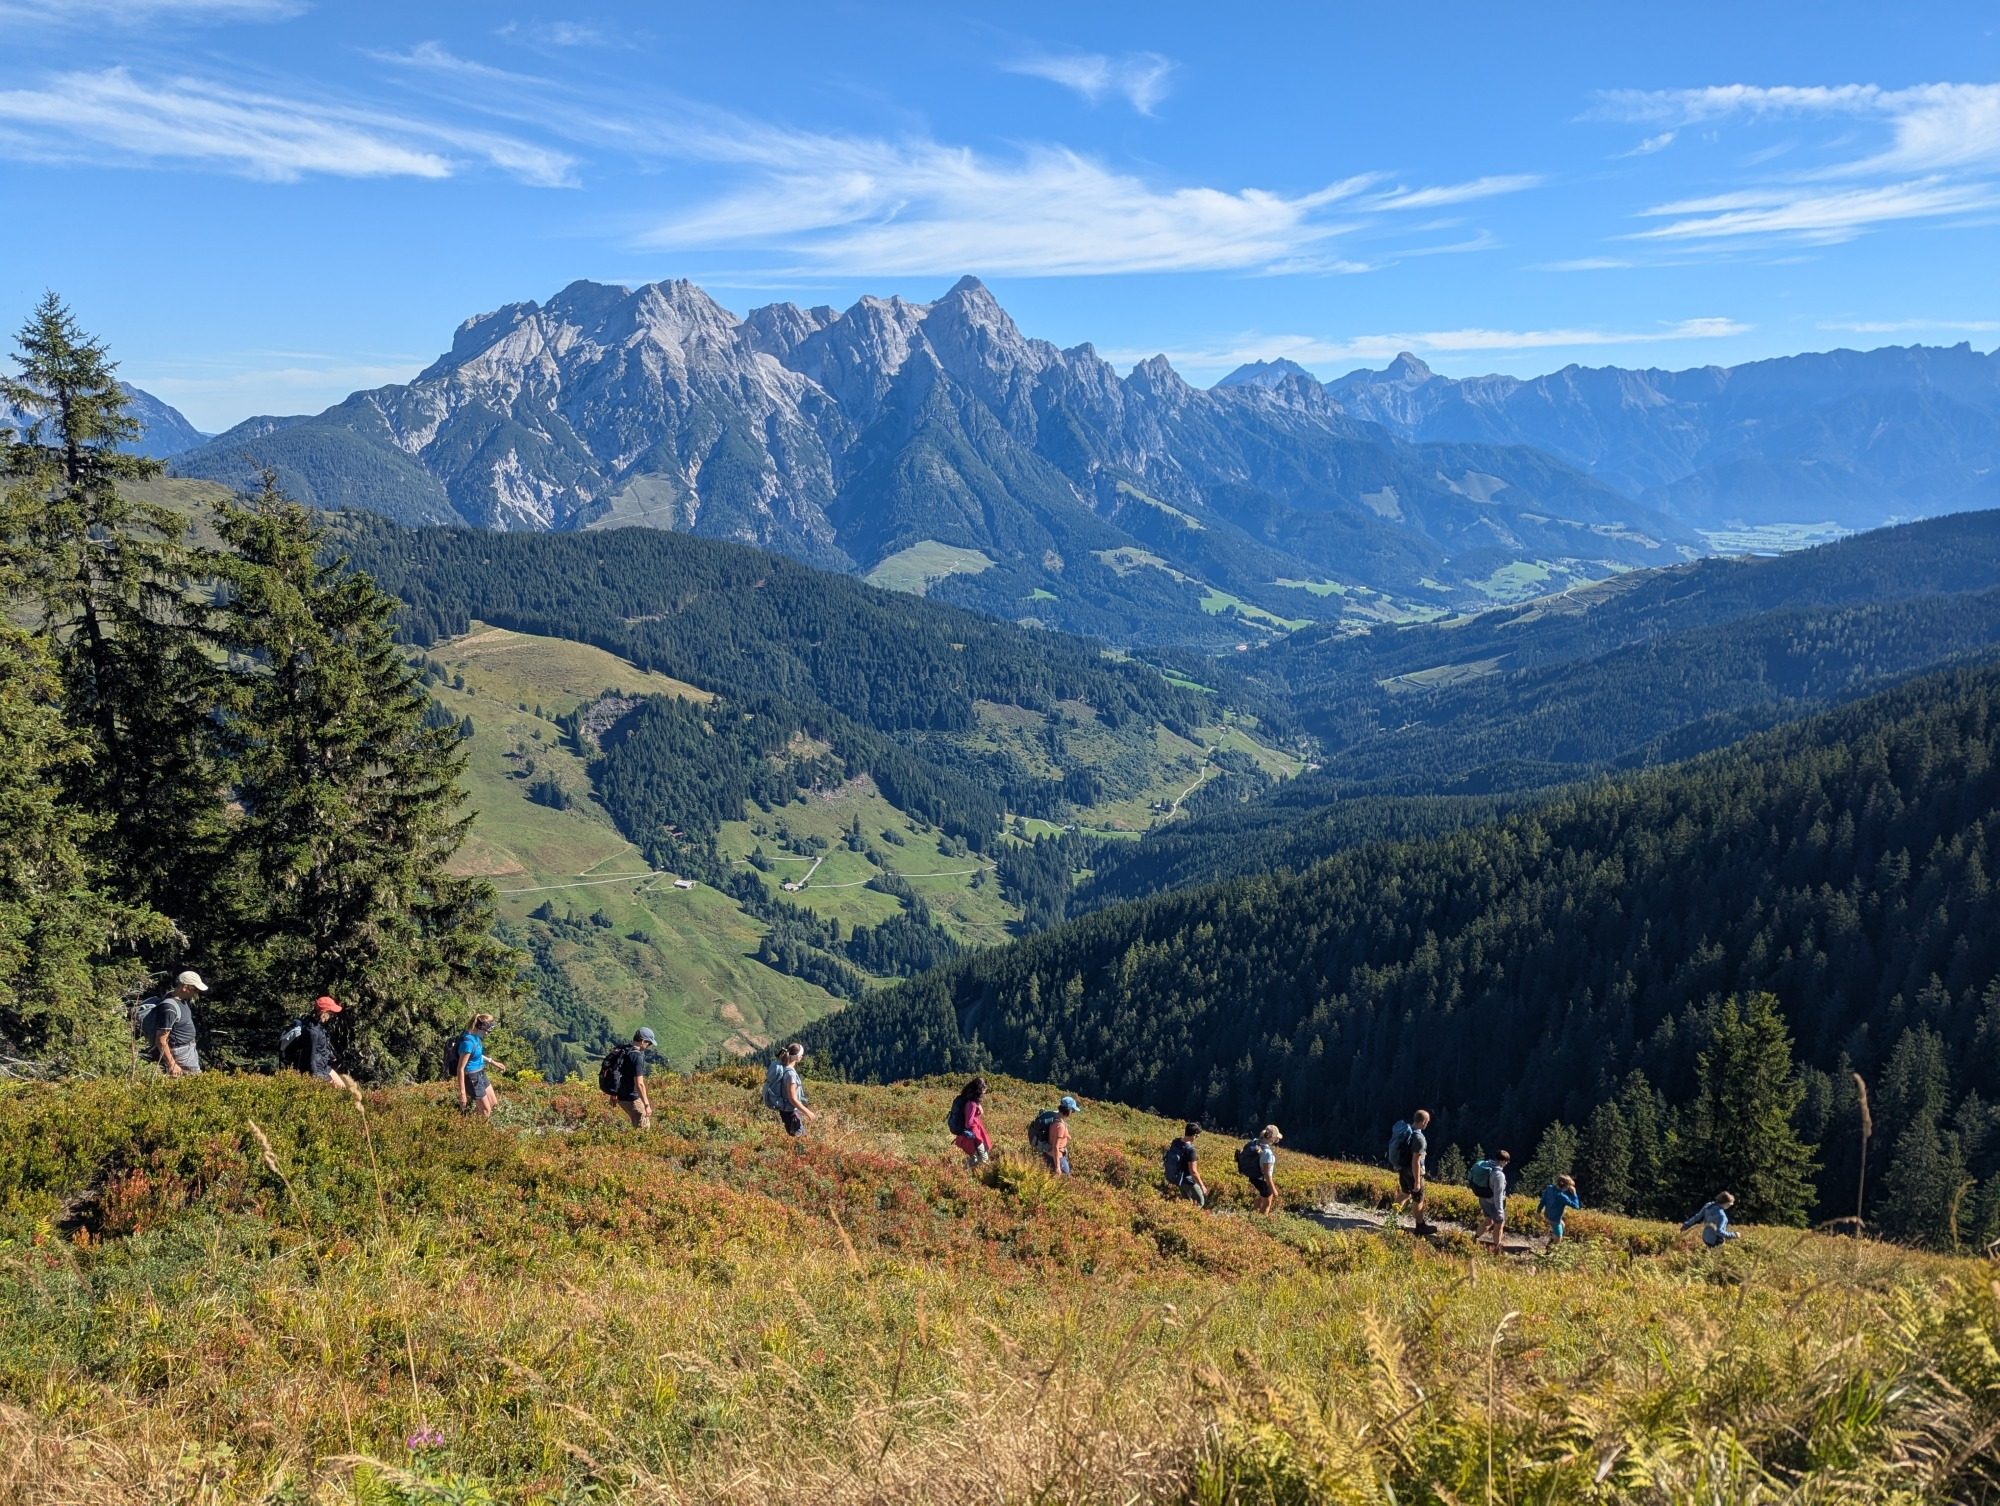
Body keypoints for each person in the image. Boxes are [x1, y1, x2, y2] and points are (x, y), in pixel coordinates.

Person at [140, 971, 207, 1077]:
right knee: (193, 1084)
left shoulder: (181, 1000)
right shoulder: (169, 1008)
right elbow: (161, 1040)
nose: (197, 992)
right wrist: (172, 1064)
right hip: (181, 1054)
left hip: (188, 1050)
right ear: (185, 987)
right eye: (195, 989)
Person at [1389, 1109, 1435, 1235]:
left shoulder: (1407, 1131)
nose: (1428, 1123)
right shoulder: (1419, 1139)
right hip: (1413, 1172)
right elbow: (1416, 1161)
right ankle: (1420, 1226)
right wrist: (1417, 1181)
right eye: (1427, 1121)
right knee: (1418, 1199)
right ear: (1424, 1122)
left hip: (1403, 1169)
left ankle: (1391, 1220)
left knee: (1404, 1193)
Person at [280, 994, 343, 1081]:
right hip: (318, 1071)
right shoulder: (313, 1032)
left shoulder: (314, 1024)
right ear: (324, 1012)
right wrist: (318, 1078)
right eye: (330, 1013)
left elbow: (319, 1048)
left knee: (344, 1088)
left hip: (323, 1066)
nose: (332, 1016)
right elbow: (311, 1058)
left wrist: (329, 1054)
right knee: (341, 1091)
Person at [604, 1028, 657, 1128]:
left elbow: (616, 1071)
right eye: (649, 1043)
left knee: (637, 1124)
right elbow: (639, 1084)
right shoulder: (637, 1057)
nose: (648, 1046)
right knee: (643, 1128)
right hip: (631, 1097)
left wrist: (613, 1093)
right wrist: (646, 1105)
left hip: (620, 1096)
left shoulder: (624, 1050)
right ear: (643, 1041)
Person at [454, 1013, 504, 1118]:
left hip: (480, 1073)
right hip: (472, 1077)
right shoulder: (468, 1042)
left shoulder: (475, 1037)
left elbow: (476, 1054)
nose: (487, 1033)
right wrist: (463, 1093)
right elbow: (460, 1069)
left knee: (493, 1104)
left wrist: (493, 1062)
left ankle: (471, 1121)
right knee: (486, 1111)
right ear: (481, 1027)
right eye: (487, 1030)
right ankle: (478, 1130)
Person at [763, 1042, 815, 1138]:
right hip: (791, 1113)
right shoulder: (791, 1075)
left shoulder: (782, 1066)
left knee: (797, 1137)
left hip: (785, 1111)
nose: (802, 1057)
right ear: (796, 1057)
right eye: (801, 1055)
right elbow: (792, 1099)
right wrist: (808, 1112)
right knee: (800, 1139)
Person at [1468, 1149, 1511, 1253]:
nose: (1506, 1164)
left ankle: (1475, 1238)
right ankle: (1497, 1247)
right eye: (1506, 1162)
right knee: (1499, 1225)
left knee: (1488, 1220)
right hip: (1493, 1202)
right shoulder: (1498, 1175)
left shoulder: (1484, 1165)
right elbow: (1498, 1195)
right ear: (1503, 1161)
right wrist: (1500, 1212)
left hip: (1483, 1199)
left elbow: (1470, 1177)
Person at [1238, 1125, 1282, 1215]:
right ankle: (1260, 1222)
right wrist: (1274, 1189)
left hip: (1254, 1177)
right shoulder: (1267, 1153)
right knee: (1267, 1203)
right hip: (1262, 1180)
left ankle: (1254, 1215)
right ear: (1272, 1139)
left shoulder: (1255, 1142)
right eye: (1276, 1138)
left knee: (1262, 1196)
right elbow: (1267, 1174)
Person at [1030, 1095, 1079, 1174]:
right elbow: (1055, 1147)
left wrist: (1066, 1136)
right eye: (1073, 1110)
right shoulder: (1060, 1126)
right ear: (1068, 1110)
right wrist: (1057, 1167)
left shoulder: (1054, 1116)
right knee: (1064, 1178)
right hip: (1057, 1157)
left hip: (1051, 1155)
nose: (1073, 1113)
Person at [950, 1076, 993, 1167]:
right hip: (973, 1134)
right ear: (979, 1089)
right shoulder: (972, 1104)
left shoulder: (971, 1101)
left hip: (972, 1133)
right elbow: (968, 1123)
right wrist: (975, 1136)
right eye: (984, 1089)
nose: (985, 1091)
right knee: (983, 1158)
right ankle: (964, 1172)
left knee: (976, 1158)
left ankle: (964, 1171)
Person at [1165, 1122, 1207, 1207]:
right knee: (1200, 1202)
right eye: (1197, 1135)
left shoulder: (1175, 1141)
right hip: (1188, 1180)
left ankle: (1184, 1216)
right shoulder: (1191, 1150)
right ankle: (1191, 1217)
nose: (1198, 1137)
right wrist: (1202, 1186)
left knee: (1186, 1202)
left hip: (1177, 1178)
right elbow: (1193, 1172)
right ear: (1194, 1135)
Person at [1538, 1174, 1581, 1248]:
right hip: (1554, 1220)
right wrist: (1574, 1194)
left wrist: (1538, 1212)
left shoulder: (1549, 1188)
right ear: (1565, 1186)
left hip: (1547, 1215)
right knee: (1559, 1238)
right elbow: (1576, 1206)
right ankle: (1549, 1251)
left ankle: (1553, 1236)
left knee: (1563, 1225)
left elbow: (1543, 1201)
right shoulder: (1562, 1197)